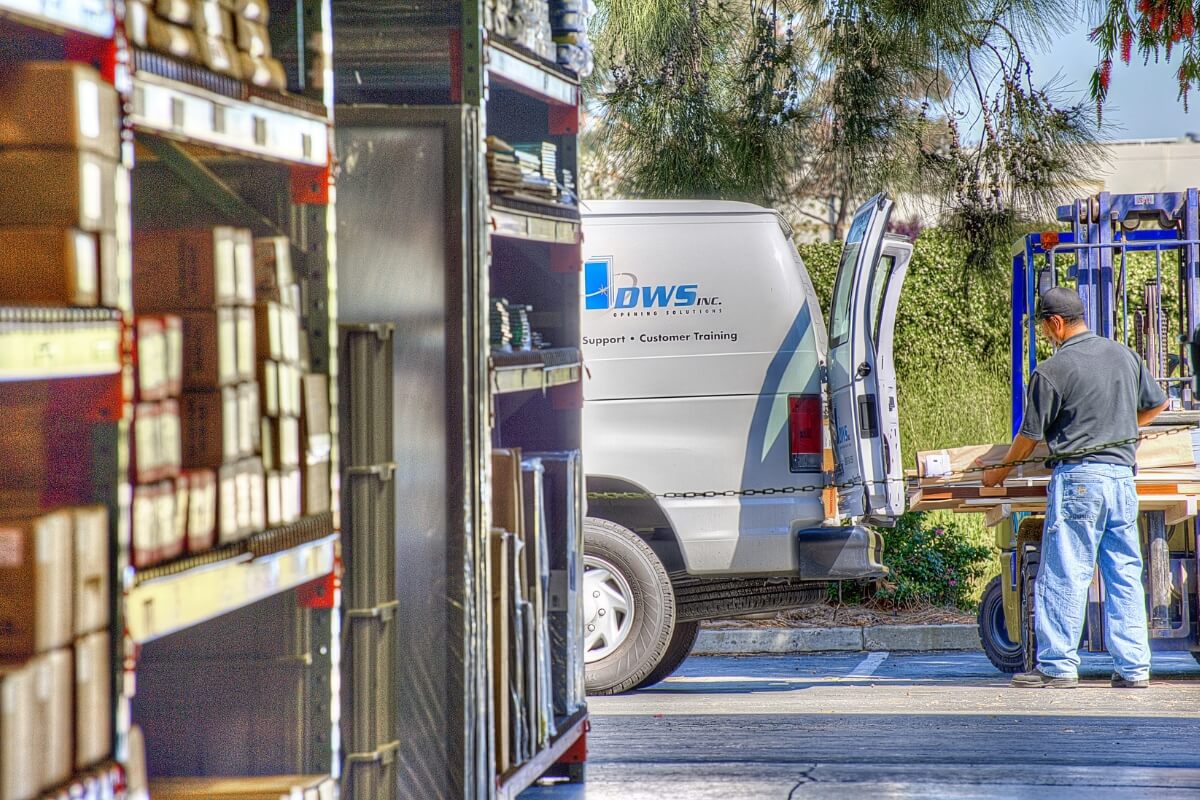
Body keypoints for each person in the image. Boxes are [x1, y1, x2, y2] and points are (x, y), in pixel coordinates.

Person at [980, 287, 1169, 689]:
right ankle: (1134, 668)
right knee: (1124, 574)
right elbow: (1159, 403)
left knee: (1066, 572)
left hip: (1080, 480)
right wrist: (1122, 433)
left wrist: (997, 474)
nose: (1047, 335)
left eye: (1045, 328)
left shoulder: (1053, 370)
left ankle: (1058, 665)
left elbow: (1028, 438)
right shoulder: (1124, 355)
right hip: (1122, 480)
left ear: (1056, 323)